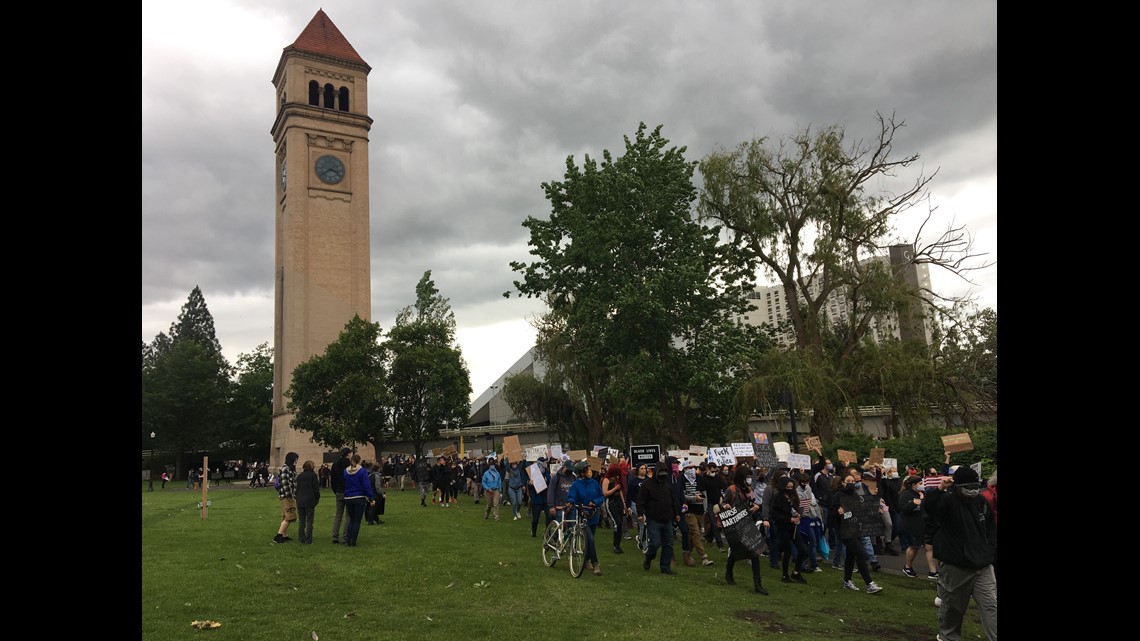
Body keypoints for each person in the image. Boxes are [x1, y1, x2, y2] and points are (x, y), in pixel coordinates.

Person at [925, 466, 997, 641]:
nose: (972, 490)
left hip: (982, 565)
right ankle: (948, 637)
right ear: (958, 486)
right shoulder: (948, 500)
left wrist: (990, 551)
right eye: (968, 487)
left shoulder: (981, 502)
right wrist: (940, 489)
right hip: (956, 565)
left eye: (975, 486)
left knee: (991, 605)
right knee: (953, 608)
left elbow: (990, 530)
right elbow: (930, 508)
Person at [714, 464, 769, 595]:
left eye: (750, 476)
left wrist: (756, 507)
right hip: (735, 524)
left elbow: (754, 501)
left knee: (755, 551)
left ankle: (757, 584)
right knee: (738, 550)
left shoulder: (748, 489)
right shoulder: (732, 489)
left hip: (747, 522)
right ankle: (730, 573)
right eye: (747, 476)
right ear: (741, 477)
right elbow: (722, 504)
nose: (749, 479)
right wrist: (726, 506)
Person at [833, 471, 884, 594]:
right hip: (844, 530)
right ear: (842, 482)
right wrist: (842, 513)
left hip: (855, 528)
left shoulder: (855, 494)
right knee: (861, 554)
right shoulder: (838, 496)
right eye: (848, 481)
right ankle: (869, 584)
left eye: (852, 481)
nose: (851, 483)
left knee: (851, 556)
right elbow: (836, 514)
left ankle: (847, 581)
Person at [638, 460, 682, 575]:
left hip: (667, 519)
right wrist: (639, 514)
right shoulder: (647, 485)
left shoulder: (667, 486)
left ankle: (665, 567)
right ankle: (649, 557)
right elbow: (641, 501)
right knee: (655, 543)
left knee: (668, 544)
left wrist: (676, 514)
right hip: (653, 519)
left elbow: (672, 501)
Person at [567, 460, 605, 575]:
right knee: (590, 539)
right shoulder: (575, 485)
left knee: (590, 539)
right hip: (582, 515)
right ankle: (595, 563)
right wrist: (571, 502)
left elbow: (601, 497)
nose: (590, 471)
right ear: (581, 473)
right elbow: (571, 496)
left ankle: (586, 560)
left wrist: (595, 502)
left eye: (589, 468)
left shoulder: (595, 483)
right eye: (587, 469)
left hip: (593, 515)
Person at [771, 475, 811, 584]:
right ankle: (785, 575)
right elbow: (775, 514)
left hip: (794, 527)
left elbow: (796, 508)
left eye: (791, 487)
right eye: (788, 487)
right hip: (783, 527)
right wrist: (789, 519)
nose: (790, 489)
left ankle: (796, 572)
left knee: (802, 549)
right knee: (787, 551)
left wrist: (798, 515)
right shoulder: (778, 498)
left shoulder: (793, 496)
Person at [899, 474, 937, 578]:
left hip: (923, 525)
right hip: (911, 526)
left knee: (930, 547)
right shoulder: (905, 494)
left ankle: (933, 571)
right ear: (913, 485)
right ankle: (908, 567)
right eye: (920, 483)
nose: (922, 485)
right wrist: (913, 503)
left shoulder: (923, 494)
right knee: (914, 547)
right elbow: (903, 509)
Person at [680, 461, 714, 566]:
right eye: (689, 468)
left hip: (699, 510)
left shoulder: (699, 478)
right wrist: (694, 498)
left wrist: (705, 509)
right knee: (696, 533)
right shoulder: (681, 479)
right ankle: (704, 557)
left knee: (692, 535)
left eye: (693, 467)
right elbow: (682, 496)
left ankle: (687, 554)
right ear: (684, 469)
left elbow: (704, 494)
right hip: (688, 510)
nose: (691, 470)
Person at [341, 454, 375, 547]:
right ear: (359, 461)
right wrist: (371, 498)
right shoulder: (362, 471)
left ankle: (348, 539)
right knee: (357, 521)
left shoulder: (345, 471)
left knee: (351, 520)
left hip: (348, 497)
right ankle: (353, 541)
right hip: (359, 497)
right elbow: (366, 485)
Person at [699, 463, 728, 553]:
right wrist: (706, 506)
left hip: (718, 503)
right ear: (707, 469)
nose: (713, 473)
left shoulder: (718, 478)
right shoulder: (703, 479)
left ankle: (708, 538)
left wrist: (722, 498)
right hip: (710, 504)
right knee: (715, 525)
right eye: (712, 471)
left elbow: (724, 487)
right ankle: (720, 545)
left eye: (715, 471)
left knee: (714, 524)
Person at [273, 452, 299, 544]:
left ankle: (285, 535)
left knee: (285, 516)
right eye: (295, 460)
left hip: (288, 495)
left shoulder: (290, 469)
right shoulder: (285, 469)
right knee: (290, 516)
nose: (296, 462)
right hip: (287, 496)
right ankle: (278, 536)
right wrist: (290, 496)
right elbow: (285, 483)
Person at [602, 463, 628, 554]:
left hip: (619, 503)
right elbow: (605, 493)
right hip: (611, 503)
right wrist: (615, 488)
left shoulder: (617, 479)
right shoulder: (606, 480)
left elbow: (620, 491)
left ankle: (618, 544)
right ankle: (615, 545)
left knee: (620, 523)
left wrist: (624, 503)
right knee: (617, 523)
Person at [295, 459, 321, 544]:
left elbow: (297, 488)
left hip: (300, 500)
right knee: (310, 521)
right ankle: (308, 539)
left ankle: (301, 538)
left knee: (301, 521)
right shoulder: (313, 476)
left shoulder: (300, 476)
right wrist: (317, 498)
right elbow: (316, 489)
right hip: (310, 501)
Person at [330, 447, 352, 544]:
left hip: (339, 491)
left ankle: (335, 536)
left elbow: (333, 479)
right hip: (348, 491)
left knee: (338, 514)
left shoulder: (335, 464)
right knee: (348, 515)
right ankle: (345, 536)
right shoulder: (350, 465)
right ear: (348, 454)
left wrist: (336, 490)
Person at [527, 457, 551, 537]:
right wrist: (530, 484)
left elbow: (550, 482)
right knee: (536, 519)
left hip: (546, 499)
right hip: (537, 499)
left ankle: (547, 533)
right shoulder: (534, 472)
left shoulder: (547, 472)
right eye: (544, 462)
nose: (545, 464)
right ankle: (533, 532)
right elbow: (530, 487)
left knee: (548, 517)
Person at [482, 455, 502, 521]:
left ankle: (496, 516)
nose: (492, 466)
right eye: (491, 464)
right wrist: (487, 488)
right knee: (490, 504)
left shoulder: (497, 473)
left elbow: (499, 481)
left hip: (495, 489)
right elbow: (483, 482)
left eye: (493, 464)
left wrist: (500, 489)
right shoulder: (486, 473)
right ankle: (487, 513)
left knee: (496, 504)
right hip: (488, 490)